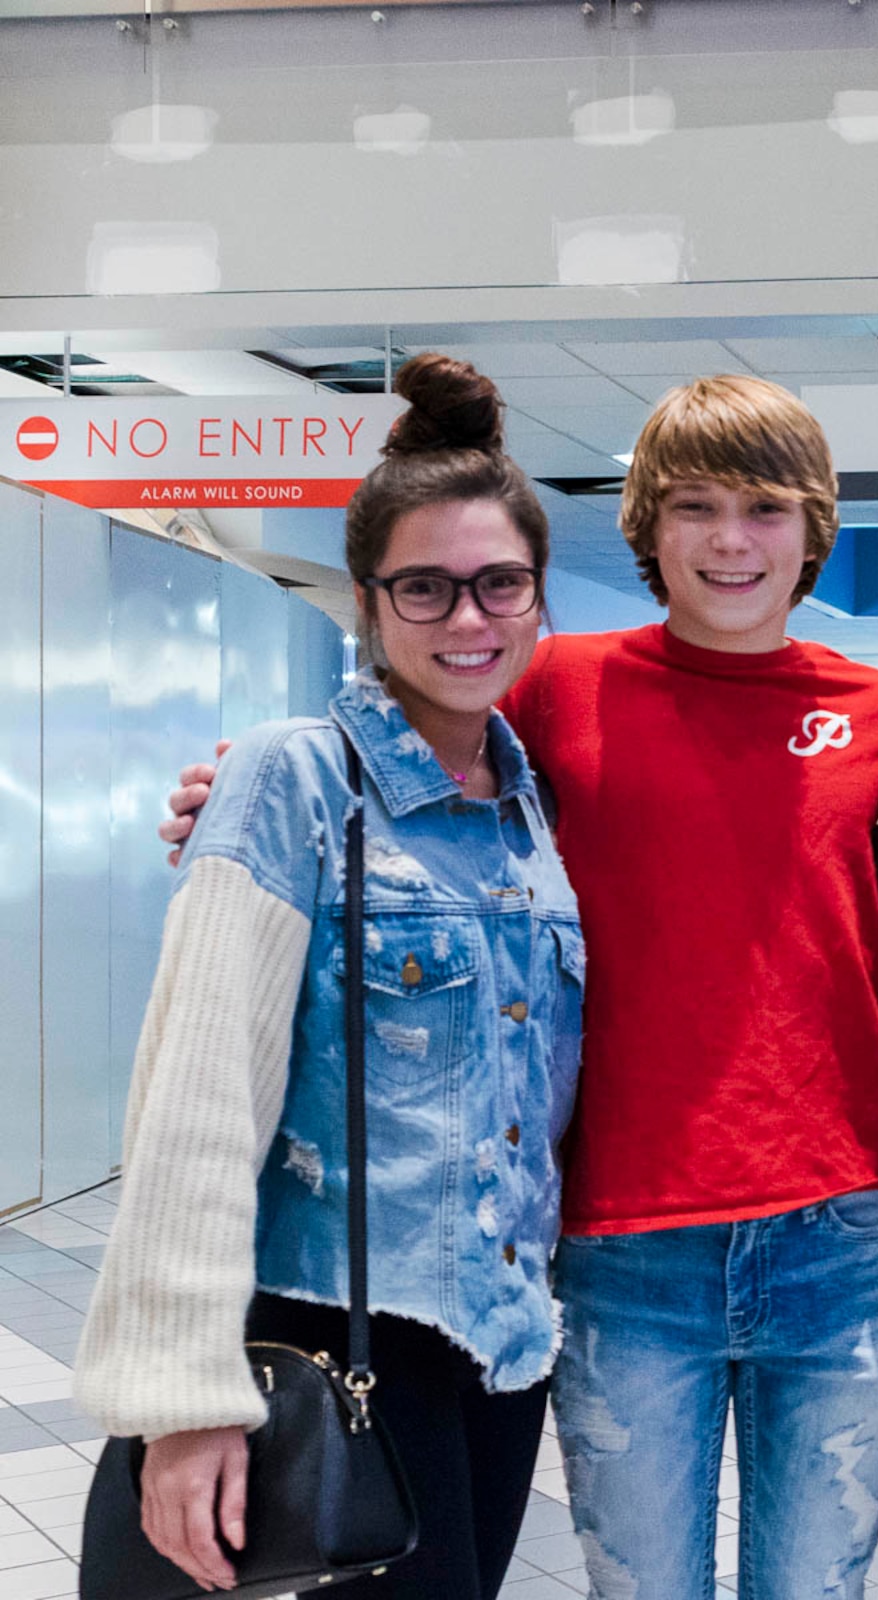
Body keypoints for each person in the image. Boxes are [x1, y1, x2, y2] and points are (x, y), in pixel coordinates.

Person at [166, 373, 878, 1598]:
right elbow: (393, 765)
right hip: (623, 1245)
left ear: (813, 529)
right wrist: (233, 803)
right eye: (695, 507)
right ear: (645, 531)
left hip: (838, 1239)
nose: (732, 540)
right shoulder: (555, 687)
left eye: (767, 508)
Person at [77, 353, 584, 1600]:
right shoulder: (291, 777)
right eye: (425, 587)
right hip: (326, 1342)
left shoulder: (534, 813)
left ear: (536, 601)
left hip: (500, 1357)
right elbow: (196, 1102)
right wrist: (183, 1401)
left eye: (497, 584)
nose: (467, 620)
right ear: (368, 599)